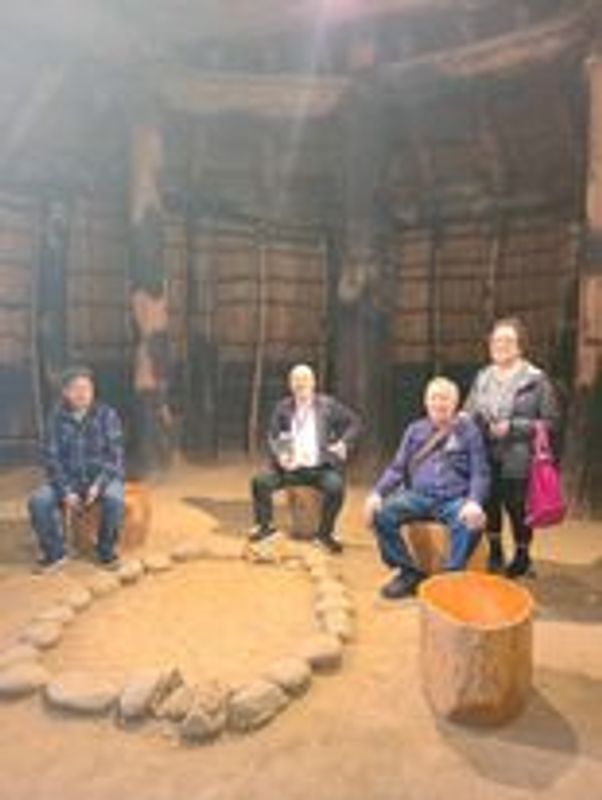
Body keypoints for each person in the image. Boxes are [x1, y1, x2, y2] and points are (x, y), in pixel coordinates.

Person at [365, 377, 489, 600]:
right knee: (382, 514)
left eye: (445, 398)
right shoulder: (415, 430)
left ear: (455, 402)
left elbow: (480, 472)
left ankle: (450, 577)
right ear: (426, 401)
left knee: (472, 524)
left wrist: (474, 501)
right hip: (418, 497)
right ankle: (408, 572)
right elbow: (397, 468)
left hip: (453, 499)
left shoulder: (468, 431)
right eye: (434, 398)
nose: (439, 403)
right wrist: (377, 492)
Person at [464, 317, 560, 578]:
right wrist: (469, 420)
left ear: (520, 346)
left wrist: (514, 427)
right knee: (490, 504)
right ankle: (495, 551)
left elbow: (550, 422)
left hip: (519, 457)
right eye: (496, 340)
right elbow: (469, 411)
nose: (501, 345)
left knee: (517, 508)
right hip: (485, 453)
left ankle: (522, 555)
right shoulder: (482, 377)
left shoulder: (536, 380)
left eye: (508, 340)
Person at [250, 364, 361, 554]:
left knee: (336, 488)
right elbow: (274, 436)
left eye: (305, 379)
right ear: (290, 384)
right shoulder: (283, 408)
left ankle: (325, 534)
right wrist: (281, 455)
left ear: (313, 383)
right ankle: (265, 527)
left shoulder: (327, 405)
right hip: (290, 469)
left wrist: (343, 443)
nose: (300, 384)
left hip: (319, 468)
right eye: (296, 380)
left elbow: (354, 422)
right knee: (260, 482)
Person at [28, 366, 125, 572]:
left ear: (93, 391)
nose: (82, 394)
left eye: (87, 388)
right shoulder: (56, 418)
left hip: (101, 478)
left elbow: (115, 456)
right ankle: (55, 553)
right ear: (66, 393)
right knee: (38, 502)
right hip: (68, 480)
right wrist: (65, 491)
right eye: (76, 389)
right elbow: (51, 458)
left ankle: (106, 551)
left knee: (114, 499)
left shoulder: (106, 415)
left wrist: (98, 486)